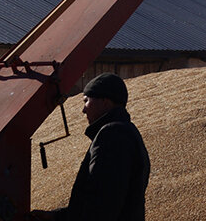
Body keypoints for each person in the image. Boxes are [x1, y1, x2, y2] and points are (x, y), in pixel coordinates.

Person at [32, 73, 151, 221]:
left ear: (105, 102)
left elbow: (101, 205)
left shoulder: (113, 135)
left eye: (86, 101)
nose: (83, 110)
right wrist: (55, 217)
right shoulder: (126, 131)